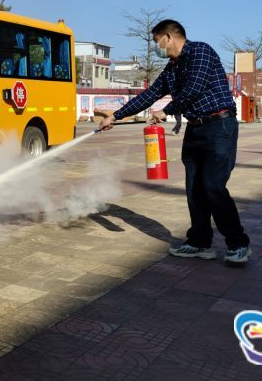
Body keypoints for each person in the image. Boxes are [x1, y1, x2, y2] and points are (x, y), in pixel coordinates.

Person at [98, 19, 251, 265]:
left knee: (213, 186)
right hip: (194, 130)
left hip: (219, 127)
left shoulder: (200, 51)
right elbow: (149, 95)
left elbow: (194, 88)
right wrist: (114, 117)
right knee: (194, 190)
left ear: (168, 36)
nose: (156, 46)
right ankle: (200, 242)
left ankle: (238, 244)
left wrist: (166, 111)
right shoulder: (172, 68)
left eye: (156, 40)